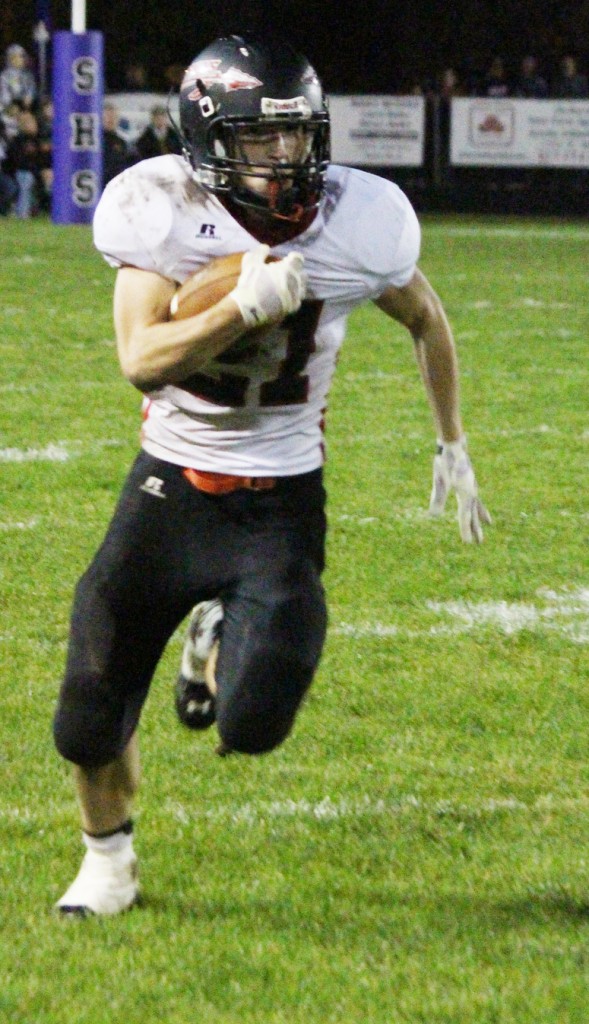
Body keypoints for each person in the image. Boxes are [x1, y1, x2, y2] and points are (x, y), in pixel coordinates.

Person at [53, 33, 491, 916]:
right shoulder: (162, 209)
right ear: (208, 135)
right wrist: (239, 307)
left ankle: (213, 631)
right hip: (169, 486)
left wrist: (452, 439)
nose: (285, 156)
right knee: (88, 711)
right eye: (260, 138)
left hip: (283, 501)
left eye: (296, 135)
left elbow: (425, 315)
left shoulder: (355, 221)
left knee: (252, 727)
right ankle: (106, 864)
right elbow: (141, 359)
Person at [102, 101, 134, 187]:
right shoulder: (96, 141)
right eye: (108, 116)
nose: (111, 120)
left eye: (114, 117)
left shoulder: (121, 142)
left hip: (117, 186)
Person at [0, 43, 37, 112]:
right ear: (11, 59)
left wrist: (29, 97)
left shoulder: (28, 74)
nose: (21, 59)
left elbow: (31, 88)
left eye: (22, 56)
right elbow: (4, 94)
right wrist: (10, 105)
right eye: (18, 57)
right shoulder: (4, 75)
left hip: (26, 107)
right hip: (10, 108)